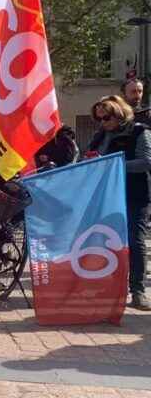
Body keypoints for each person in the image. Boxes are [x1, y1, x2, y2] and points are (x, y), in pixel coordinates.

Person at [87, 95, 151, 311]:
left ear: (119, 114)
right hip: (108, 197)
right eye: (100, 119)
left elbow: (146, 162)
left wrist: (115, 165)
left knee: (135, 241)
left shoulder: (139, 131)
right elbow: (87, 157)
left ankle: (138, 291)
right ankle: (109, 289)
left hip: (135, 195)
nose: (103, 123)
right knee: (107, 242)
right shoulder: (101, 135)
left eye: (106, 118)